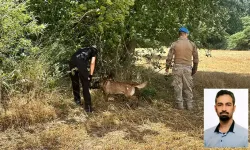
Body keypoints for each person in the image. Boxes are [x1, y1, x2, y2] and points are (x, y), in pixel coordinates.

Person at [165, 27, 199, 110]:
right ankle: (189, 105)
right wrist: (194, 69)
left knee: (178, 87)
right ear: (186, 34)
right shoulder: (192, 44)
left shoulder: (175, 44)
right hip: (187, 68)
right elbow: (196, 58)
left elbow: (169, 57)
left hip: (177, 67)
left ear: (179, 34)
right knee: (188, 86)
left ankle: (179, 105)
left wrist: (167, 67)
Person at [69, 46, 98, 112]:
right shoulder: (94, 51)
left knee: (75, 82)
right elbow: (92, 63)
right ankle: (88, 107)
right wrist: (90, 75)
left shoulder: (83, 49)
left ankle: (77, 101)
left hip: (72, 60)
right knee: (85, 84)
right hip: (80, 61)